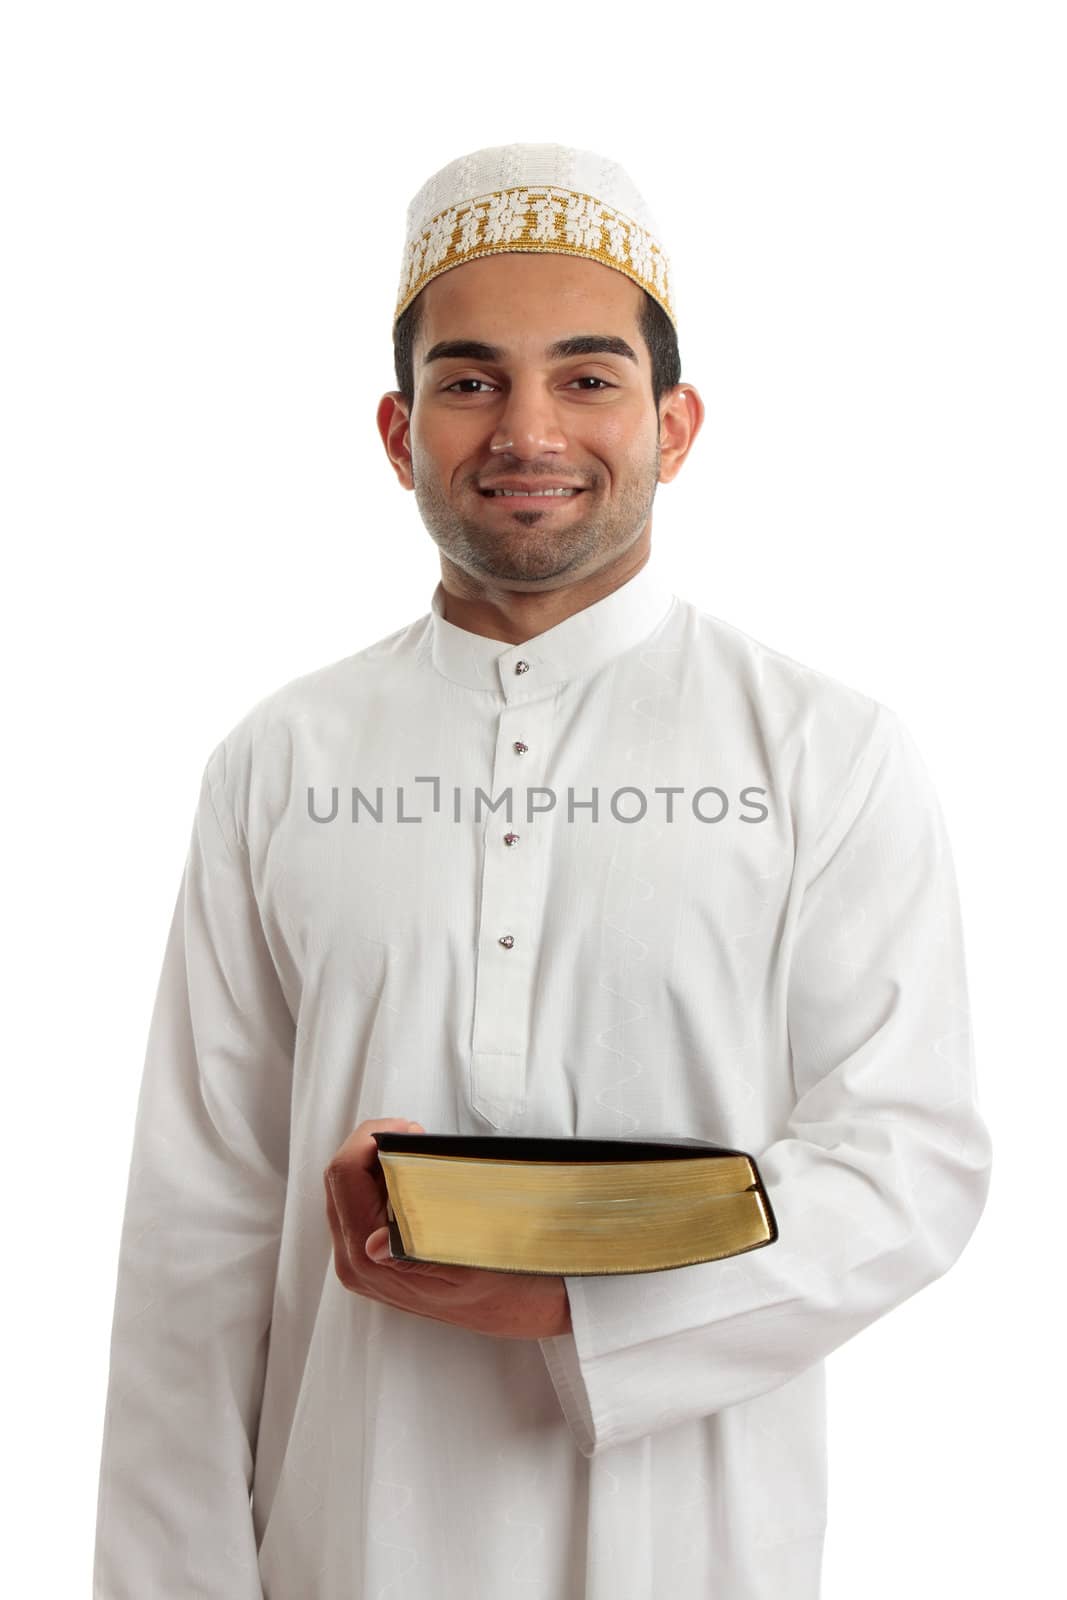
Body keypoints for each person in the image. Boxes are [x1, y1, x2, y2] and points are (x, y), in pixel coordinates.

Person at [93, 142, 993, 1600]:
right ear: (397, 431)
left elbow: (912, 1164)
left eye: (586, 377)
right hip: (344, 1540)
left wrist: (577, 1303)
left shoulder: (827, 752)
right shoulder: (280, 761)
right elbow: (197, 1237)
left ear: (675, 423)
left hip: (691, 1544)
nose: (527, 428)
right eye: (470, 380)